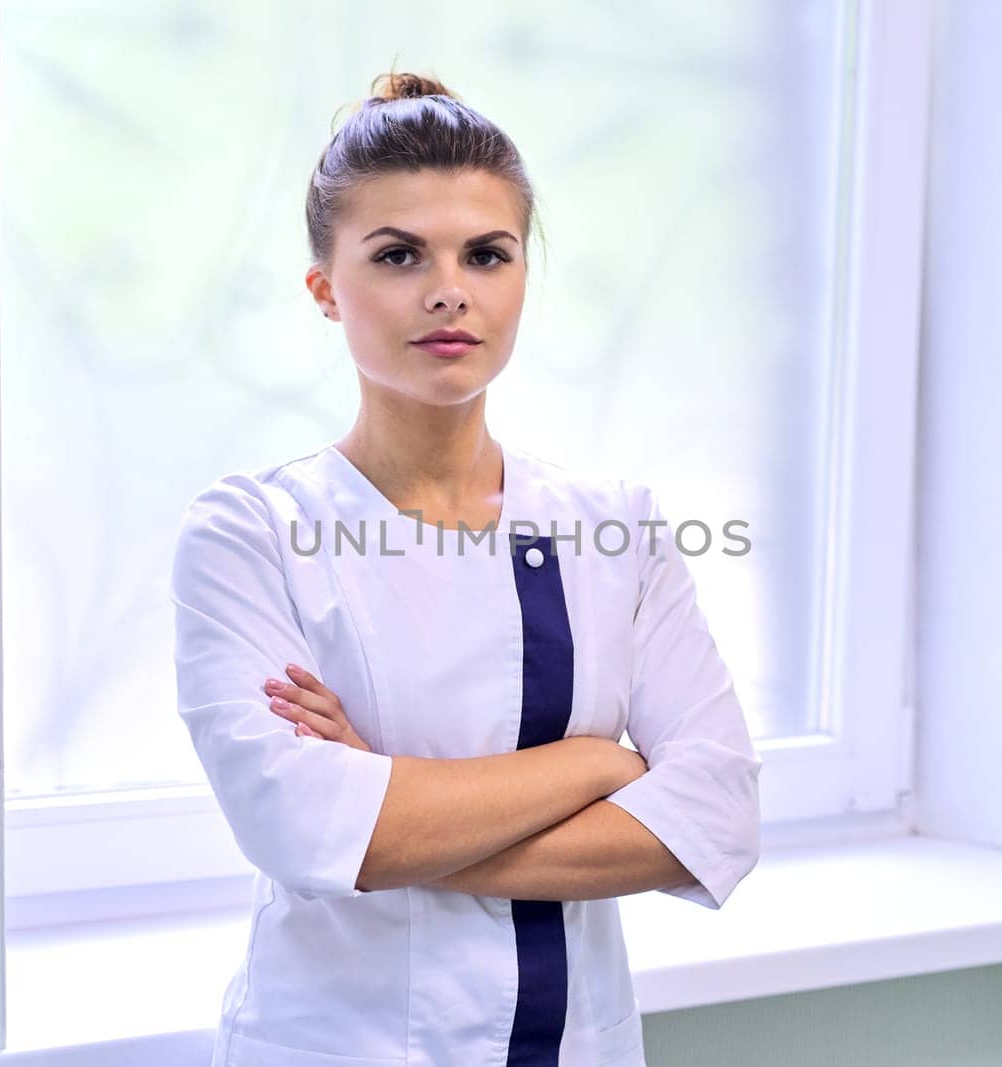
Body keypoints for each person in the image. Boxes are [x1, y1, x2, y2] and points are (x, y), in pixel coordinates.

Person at [169, 69, 763, 1067]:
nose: (449, 288)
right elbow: (304, 827)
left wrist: (392, 807)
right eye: (398, 254)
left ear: (522, 274)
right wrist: (596, 765)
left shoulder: (613, 525)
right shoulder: (249, 532)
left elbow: (713, 820)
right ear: (324, 289)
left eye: (486, 253)